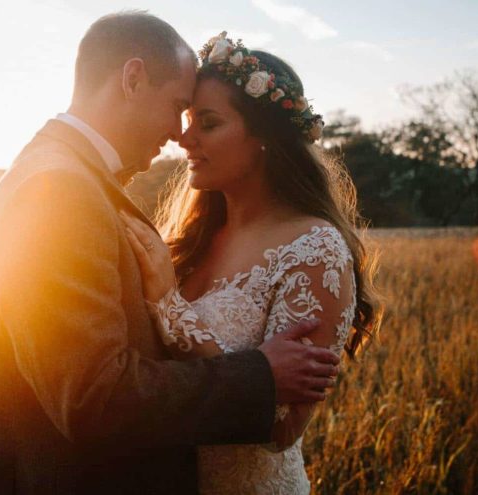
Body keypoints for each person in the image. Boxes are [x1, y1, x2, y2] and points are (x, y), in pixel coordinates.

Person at [0, 14, 342, 495]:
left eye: (202, 118)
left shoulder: (64, 175)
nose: (179, 134)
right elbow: (94, 398)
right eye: (179, 107)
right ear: (133, 79)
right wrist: (259, 377)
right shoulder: (61, 191)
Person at [121, 32, 383, 493]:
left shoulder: (313, 251)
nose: (185, 138)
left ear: (264, 138)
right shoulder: (188, 241)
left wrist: (168, 304)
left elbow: (280, 430)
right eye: (187, 119)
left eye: (208, 122)